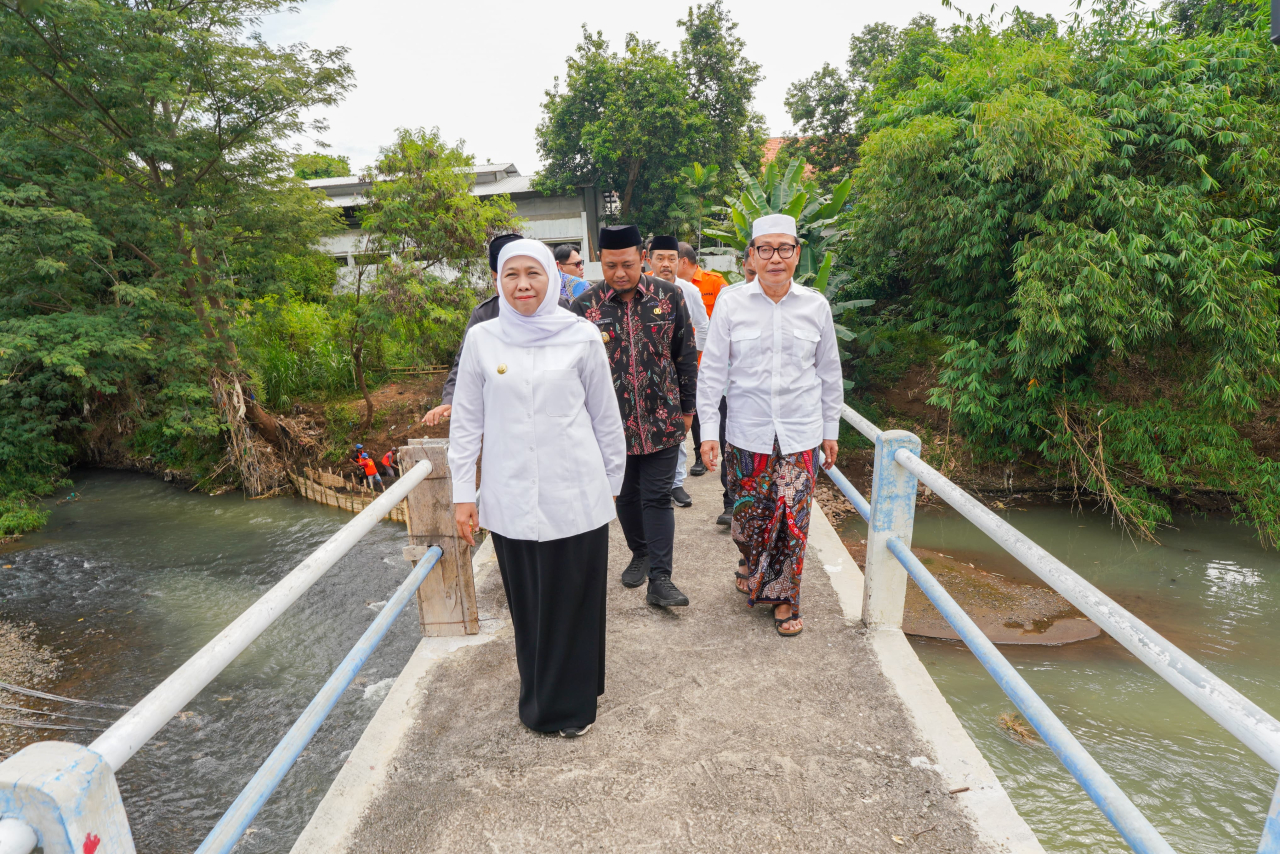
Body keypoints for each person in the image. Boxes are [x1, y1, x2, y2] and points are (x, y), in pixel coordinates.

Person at [450, 239, 625, 738]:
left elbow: (605, 417)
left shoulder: (582, 335)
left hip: (576, 490)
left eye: (533, 274)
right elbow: (466, 424)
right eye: (511, 275)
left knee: (574, 597)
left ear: (552, 278)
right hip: (510, 494)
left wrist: (612, 483)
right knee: (529, 602)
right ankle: (541, 693)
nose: (522, 285)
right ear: (498, 282)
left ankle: (570, 708)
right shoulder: (483, 339)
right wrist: (465, 494)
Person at [697, 215, 842, 638]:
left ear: (797, 254)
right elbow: (712, 373)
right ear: (752, 256)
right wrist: (709, 431)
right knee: (748, 521)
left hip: (801, 432)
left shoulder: (816, 306)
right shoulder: (730, 302)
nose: (775, 258)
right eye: (765, 249)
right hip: (746, 432)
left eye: (784, 249)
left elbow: (829, 372)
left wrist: (830, 430)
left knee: (791, 521)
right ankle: (749, 561)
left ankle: (784, 597)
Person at [571, 224, 697, 608]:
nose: (619, 273)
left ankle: (661, 579)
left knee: (657, 498)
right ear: (601, 262)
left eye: (627, 264)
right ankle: (639, 552)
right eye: (610, 266)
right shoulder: (583, 308)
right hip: (609, 427)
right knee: (624, 498)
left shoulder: (670, 296)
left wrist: (688, 409)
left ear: (642, 259)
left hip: (663, 419)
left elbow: (685, 355)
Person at [423, 234, 571, 426]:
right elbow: (464, 365)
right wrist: (450, 400)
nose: (516, 287)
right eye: (500, 279)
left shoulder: (567, 314)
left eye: (528, 274)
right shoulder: (485, 314)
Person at [647, 235, 708, 509]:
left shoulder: (687, 291)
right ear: (649, 260)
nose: (666, 264)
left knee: (679, 426)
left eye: (671, 259)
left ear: (679, 261)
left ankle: (676, 483)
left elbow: (703, 327)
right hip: (650, 371)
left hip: (680, 368)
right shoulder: (642, 289)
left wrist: (694, 362)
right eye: (660, 258)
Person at [712, 239, 755, 527]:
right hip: (733, 392)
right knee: (731, 449)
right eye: (751, 273)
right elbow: (717, 350)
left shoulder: (802, 301)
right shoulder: (729, 297)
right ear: (744, 267)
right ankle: (731, 503)